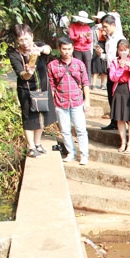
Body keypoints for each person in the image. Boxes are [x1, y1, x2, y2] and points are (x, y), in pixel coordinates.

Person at [8, 24, 56, 158]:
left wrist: (39, 49)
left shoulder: (37, 46)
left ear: (32, 37)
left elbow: (48, 49)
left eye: (27, 39)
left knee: (41, 115)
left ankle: (38, 143)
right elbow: (22, 74)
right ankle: (30, 146)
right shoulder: (15, 54)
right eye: (21, 40)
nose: (25, 43)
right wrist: (28, 72)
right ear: (17, 40)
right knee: (29, 117)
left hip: (42, 87)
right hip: (27, 90)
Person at [47, 37, 91, 165]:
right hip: (61, 102)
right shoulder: (52, 65)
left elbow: (85, 83)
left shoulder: (79, 64)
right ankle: (71, 153)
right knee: (65, 130)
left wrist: (87, 100)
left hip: (77, 101)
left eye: (69, 49)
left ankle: (84, 155)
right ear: (59, 49)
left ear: (73, 49)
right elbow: (52, 86)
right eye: (64, 49)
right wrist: (53, 102)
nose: (67, 52)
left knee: (81, 129)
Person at [108, 39, 130, 154]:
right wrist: (120, 68)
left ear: (129, 50)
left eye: (125, 50)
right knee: (120, 119)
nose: (123, 52)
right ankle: (123, 142)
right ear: (117, 51)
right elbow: (112, 78)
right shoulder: (114, 62)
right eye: (120, 50)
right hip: (119, 91)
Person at [100, 14, 125, 131]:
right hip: (110, 69)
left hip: (118, 72)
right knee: (111, 96)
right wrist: (101, 55)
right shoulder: (109, 39)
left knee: (116, 97)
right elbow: (110, 56)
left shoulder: (119, 38)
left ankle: (119, 121)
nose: (104, 29)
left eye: (106, 27)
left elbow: (122, 55)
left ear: (113, 25)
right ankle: (114, 121)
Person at [68, 11, 93, 82]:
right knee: (77, 66)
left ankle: (88, 83)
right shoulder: (73, 26)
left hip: (86, 49)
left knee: (88, 67)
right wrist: (79, 36)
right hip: (77, 49)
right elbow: (71, 37)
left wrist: (87, 37)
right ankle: (78, 81)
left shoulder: (87, 27)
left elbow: (90, 40)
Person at [91, 11, 108, 90]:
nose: (99, 20)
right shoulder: (93, 28)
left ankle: (103, 84)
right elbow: (91, 39)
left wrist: (104, 31)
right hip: (96, 46)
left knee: (104, 67)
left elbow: (109, 38)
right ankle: (93, 84)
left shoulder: (107, 28)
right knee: (96, 66)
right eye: (98, 19)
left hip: (105, 47)